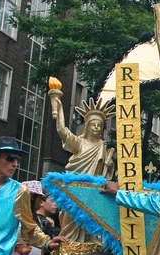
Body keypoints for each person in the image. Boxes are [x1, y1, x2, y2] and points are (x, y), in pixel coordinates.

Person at [50, 92, 116, 241]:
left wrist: (109, 165)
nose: (96, 127)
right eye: (93, 124)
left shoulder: (102, 147)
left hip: (93, 195)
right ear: (87, 126)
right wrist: (59, 107)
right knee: (70, 226)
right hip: (75, 192)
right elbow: (62, 131)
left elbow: (106, 176)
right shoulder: (79, 143)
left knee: (91, 230)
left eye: (99, 125)